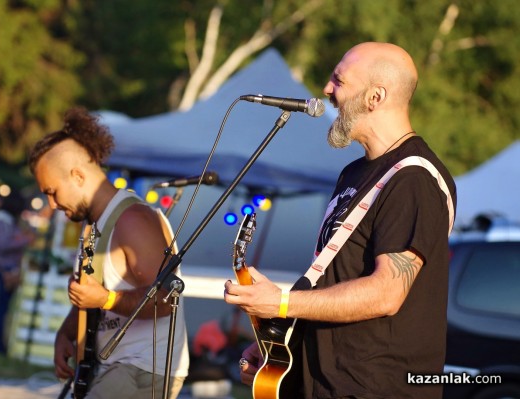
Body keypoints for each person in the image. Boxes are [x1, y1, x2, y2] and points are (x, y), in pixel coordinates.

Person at [224, 42, 457, 399]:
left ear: (374, 97)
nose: (326, 90)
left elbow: (386, 293)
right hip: (325, 383)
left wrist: (283, 303)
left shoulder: (414, 179)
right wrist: (283, 338)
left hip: (377, 388)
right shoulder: (353, 173)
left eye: (339, 80)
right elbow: (335, 277)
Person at [28, 107, 189, 399]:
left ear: (77, 176)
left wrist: (106, 299)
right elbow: (92, 295)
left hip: (143, 369)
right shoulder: (94, 224)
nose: (51, 204)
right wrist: (66, 333)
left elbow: (166, 299)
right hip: (114, 366)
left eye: (52, 191)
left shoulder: (133, 219)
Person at [0, 189, 35, 353]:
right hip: (4, 268)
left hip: (8, 267)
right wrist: (24, 240)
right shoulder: (1, 221)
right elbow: (2, 245)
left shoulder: (3, 220)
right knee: (2, 308)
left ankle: (1, 342)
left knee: (4, 308)